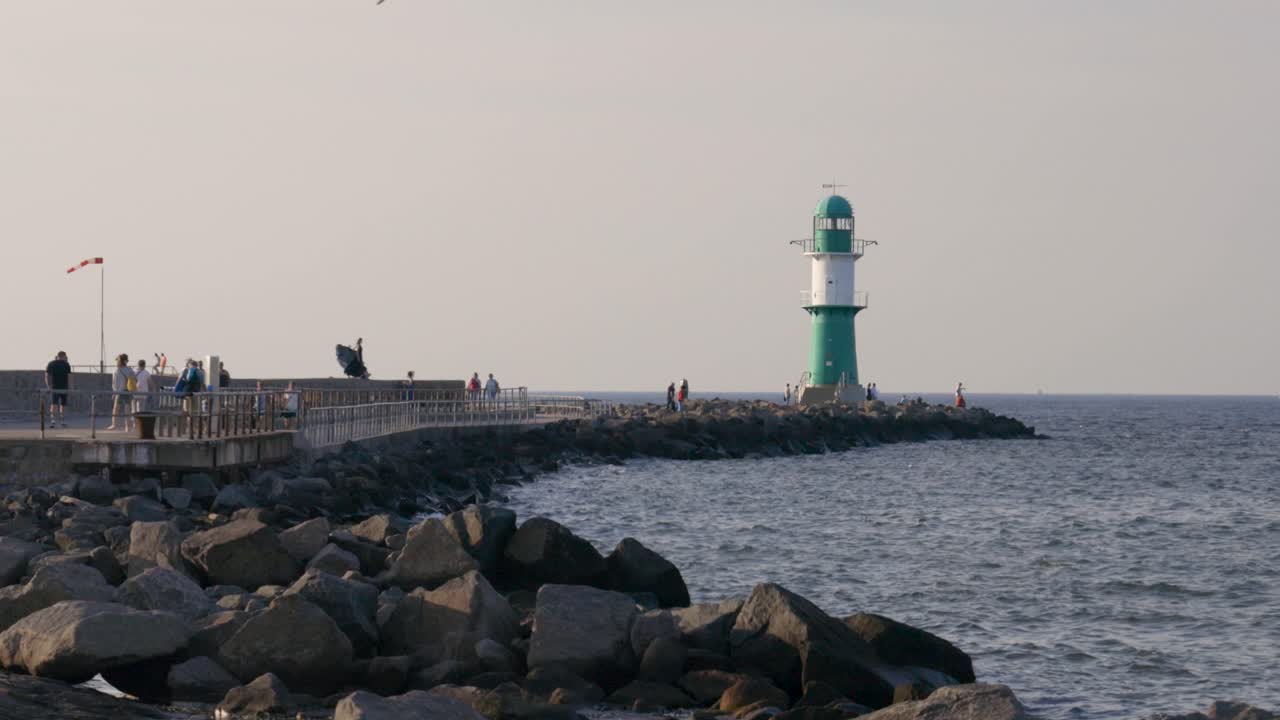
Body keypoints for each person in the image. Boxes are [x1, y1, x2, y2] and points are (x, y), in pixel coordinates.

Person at [107, 354, 136, 431]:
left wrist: (114, 392)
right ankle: (127, 427)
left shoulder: (116, 370)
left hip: (119, 391)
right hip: (128, 391)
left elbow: (114, 383)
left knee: (116, 409)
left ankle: (114, 425)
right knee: (127, 409)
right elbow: (134, 379)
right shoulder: (130, 370)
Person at [44, 351, 72, 428]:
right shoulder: (66, 364)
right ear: (63, 356)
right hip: (64, 387)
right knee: (63, 405)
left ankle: (53, 421)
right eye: (65, 356)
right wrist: (71, 387)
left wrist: (48, 386)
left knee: (54, 404)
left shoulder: (51, 363)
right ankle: (63, 421)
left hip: (54, 387)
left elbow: (46, 376)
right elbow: (69, 377)